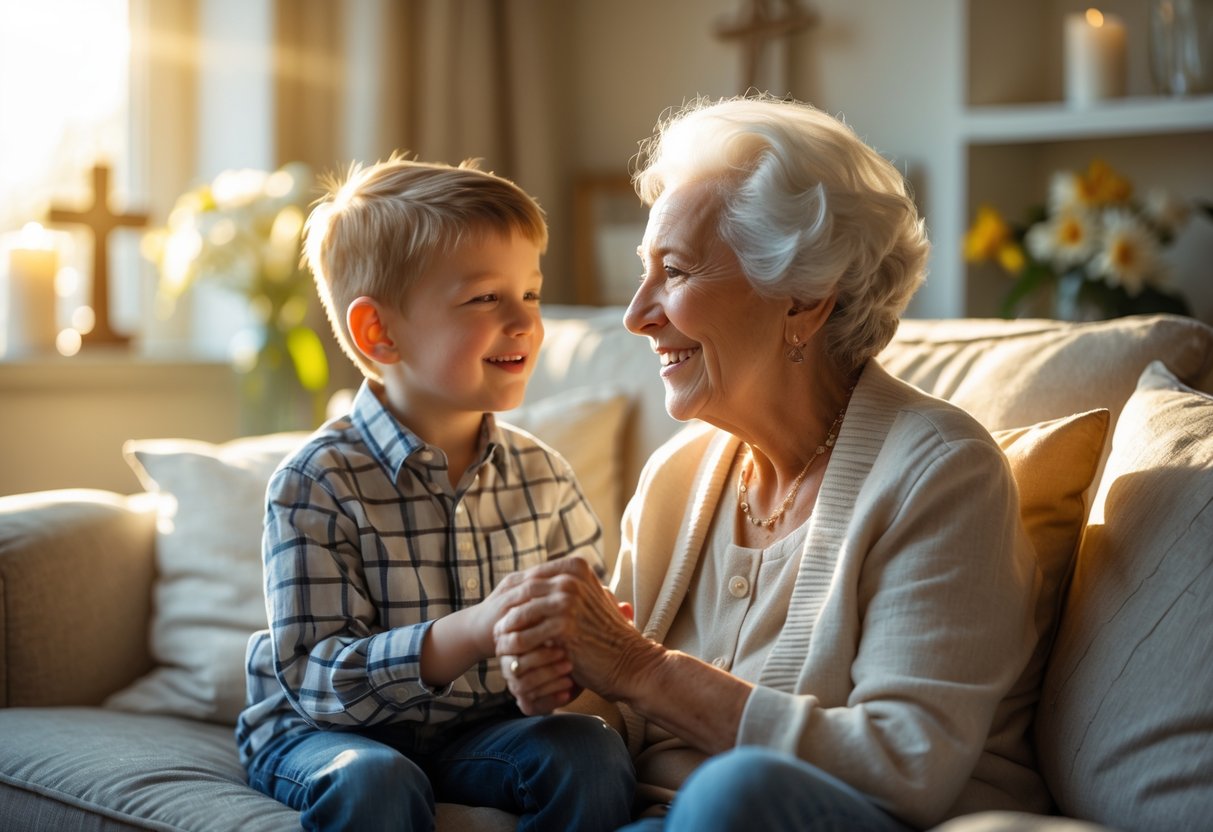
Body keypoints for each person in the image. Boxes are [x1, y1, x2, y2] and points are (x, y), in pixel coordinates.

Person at [493, 96, 1050, 831]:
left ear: (804, 300)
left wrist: (642, 669)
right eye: (642, 270)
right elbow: (621, 714)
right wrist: (557, 673)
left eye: (676, 272)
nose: (635, 314)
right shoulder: (678, 477)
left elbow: (905, 764)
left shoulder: (940, 473)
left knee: (734, 795)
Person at [235, 156, 634, 832]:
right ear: (378, 333)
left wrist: (560, 668)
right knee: (375, 780)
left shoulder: (544, 475)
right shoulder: (316, 483)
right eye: (485, 298)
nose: (524, 321)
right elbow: (313, 678)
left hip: (474, 731)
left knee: (586, 752)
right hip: (320, 732)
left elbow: (585, 636)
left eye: (530, 294)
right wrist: (473, 630)